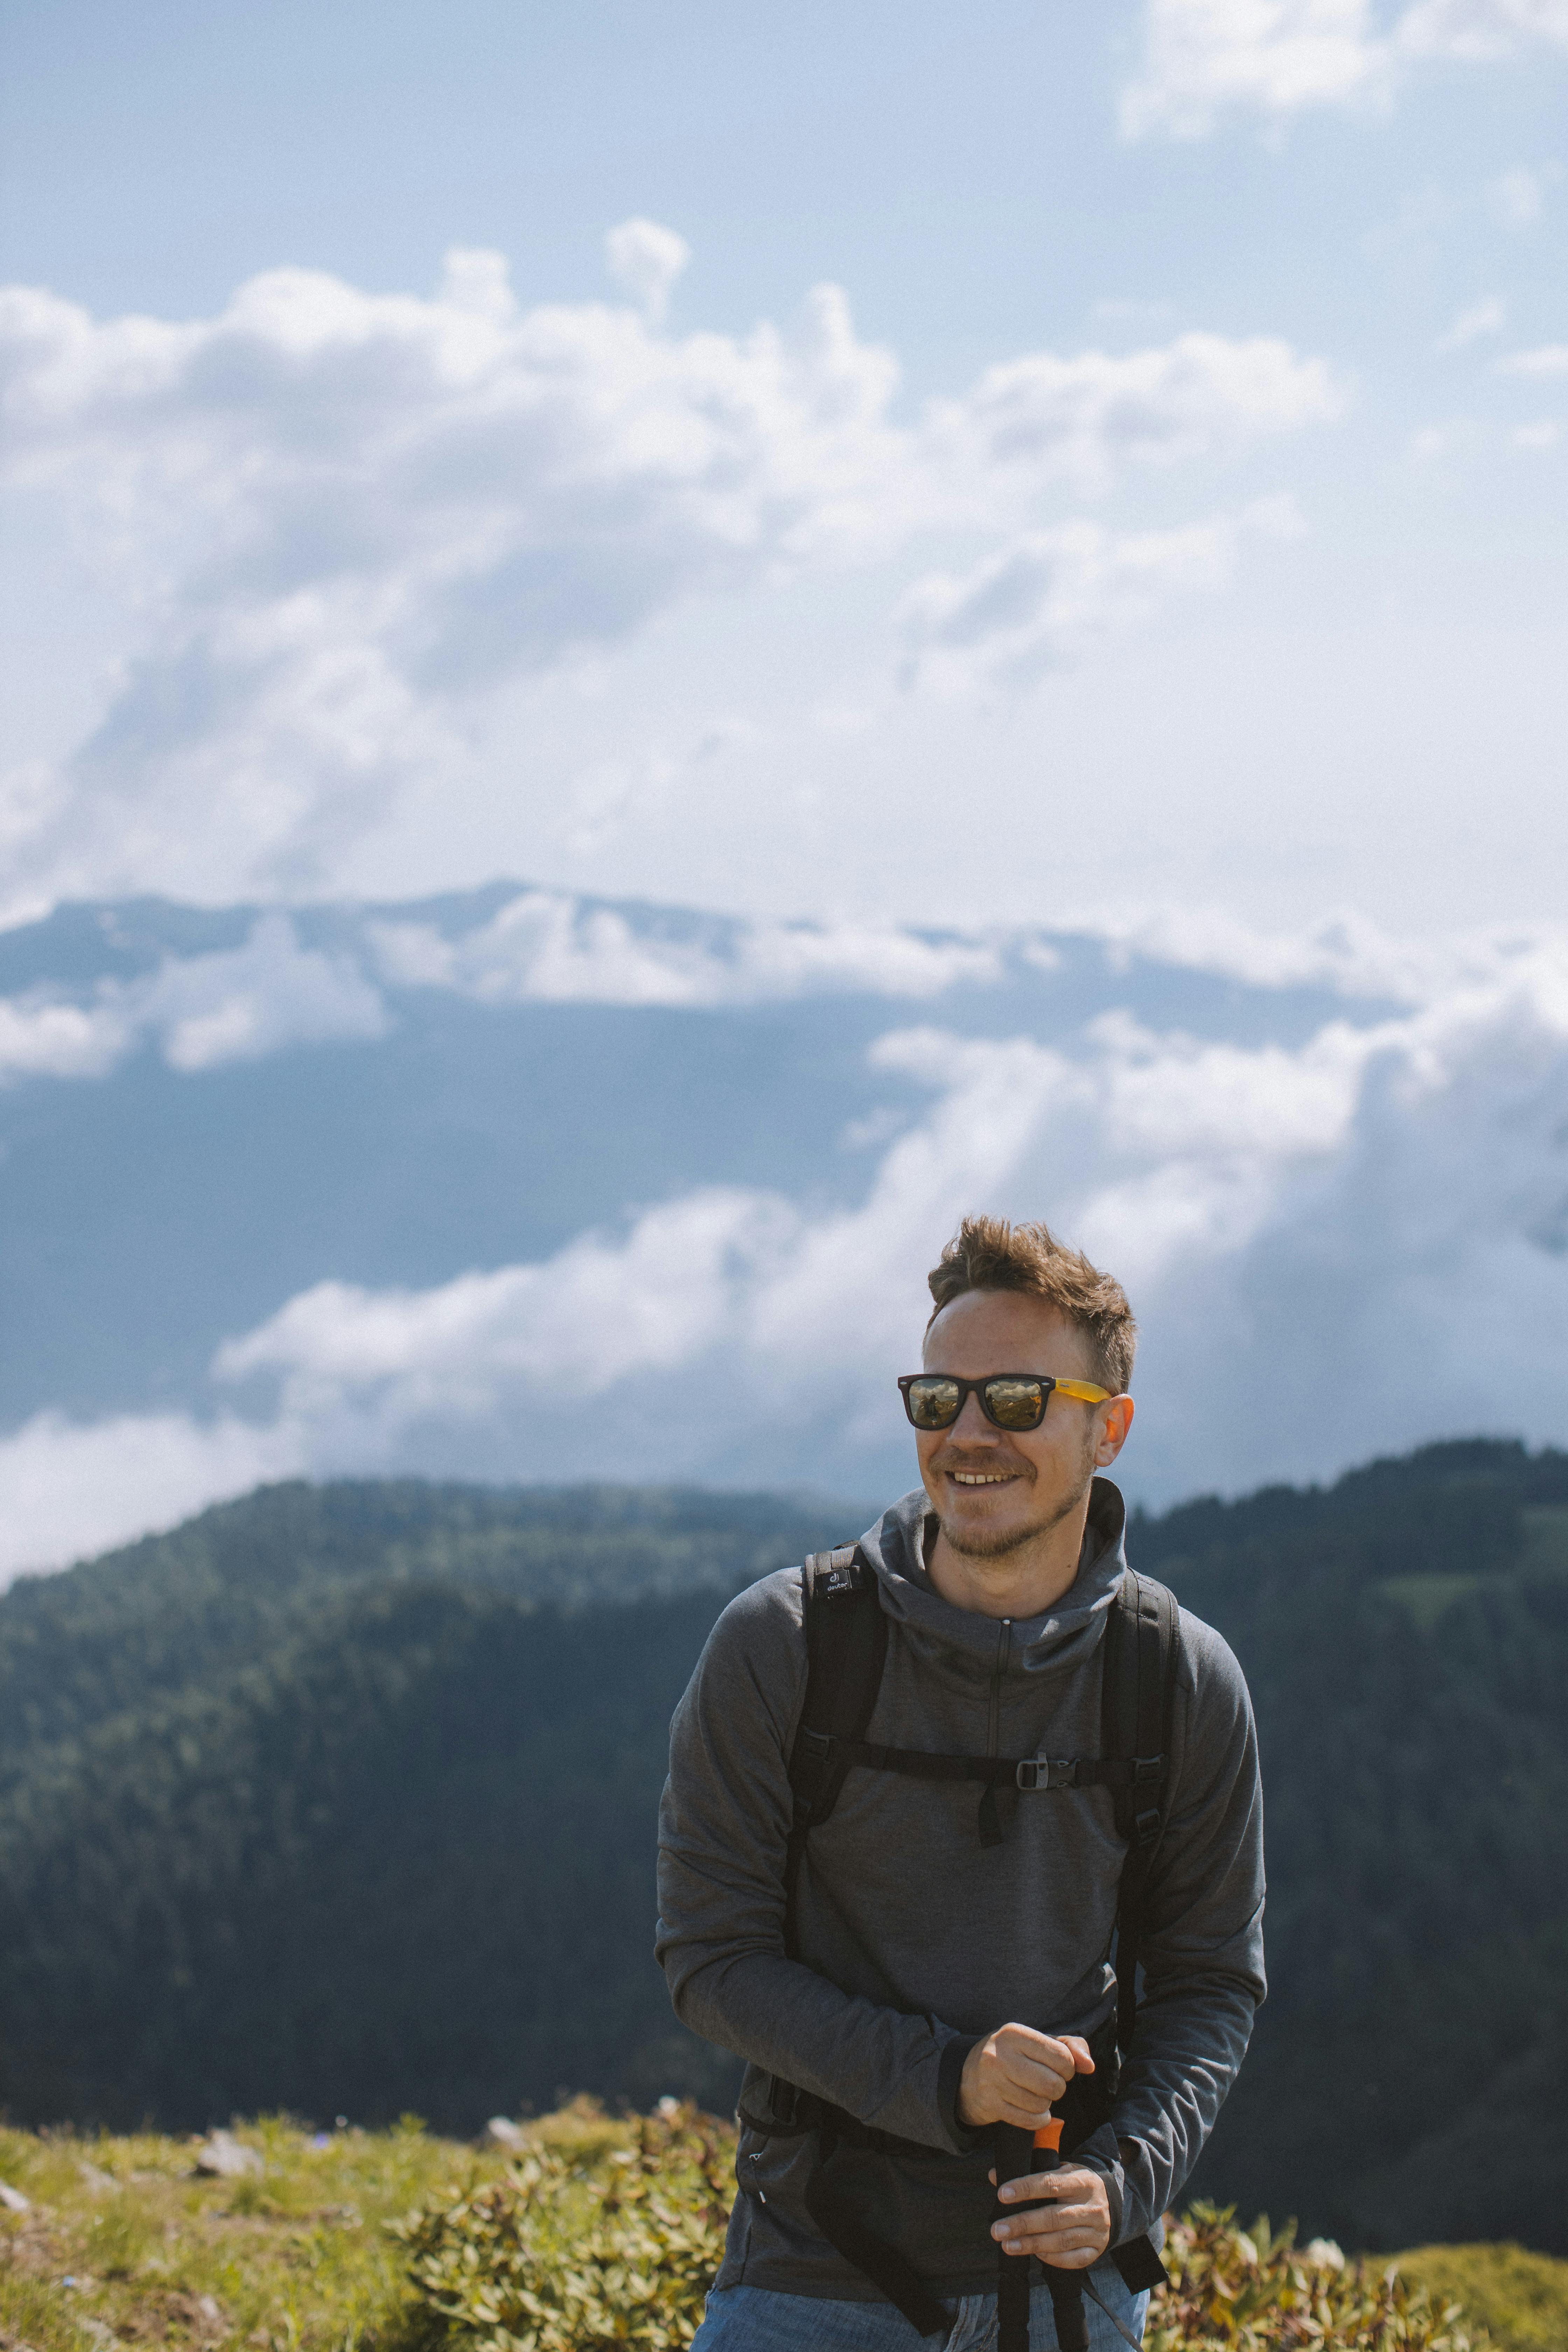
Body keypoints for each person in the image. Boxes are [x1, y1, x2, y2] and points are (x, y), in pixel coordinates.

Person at [656, 1216, 1265, 2352]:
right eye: (939, 1401)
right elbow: (710, 1958)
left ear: (1110, 1431)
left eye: (1020, 1400)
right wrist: (948, 2079)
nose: (969, 1435)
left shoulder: (1178, 1678)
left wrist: (1125, 2182)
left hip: (1067, 2282)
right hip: (809, 2269)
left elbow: (1211, 1981)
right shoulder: (783, 1645)